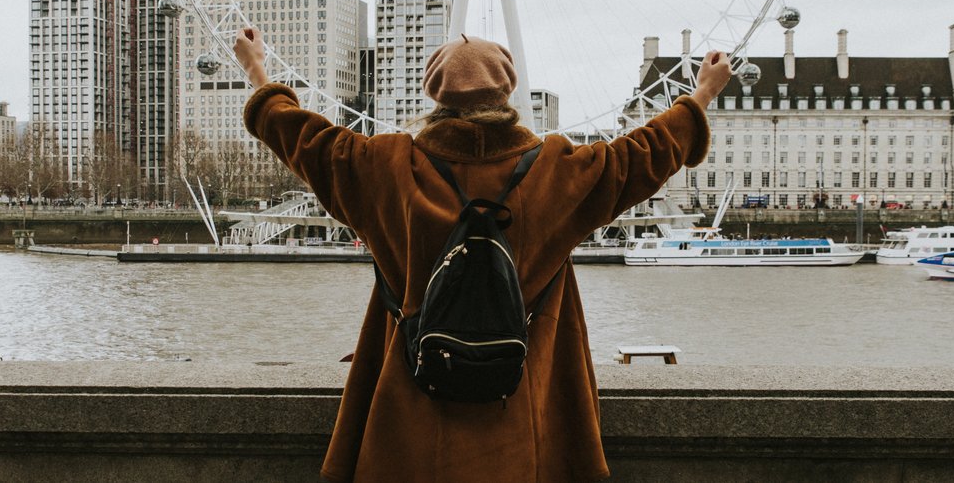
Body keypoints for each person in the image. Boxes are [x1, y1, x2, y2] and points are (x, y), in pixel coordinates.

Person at [234, 28, 731, 482]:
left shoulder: (381, 167)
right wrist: (702, 93)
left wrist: (257, 70)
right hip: (525, 412)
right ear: (507, 91)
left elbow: (300, 137)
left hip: (410, 412)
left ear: (435, 94)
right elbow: (643, 154)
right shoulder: (559, 171)